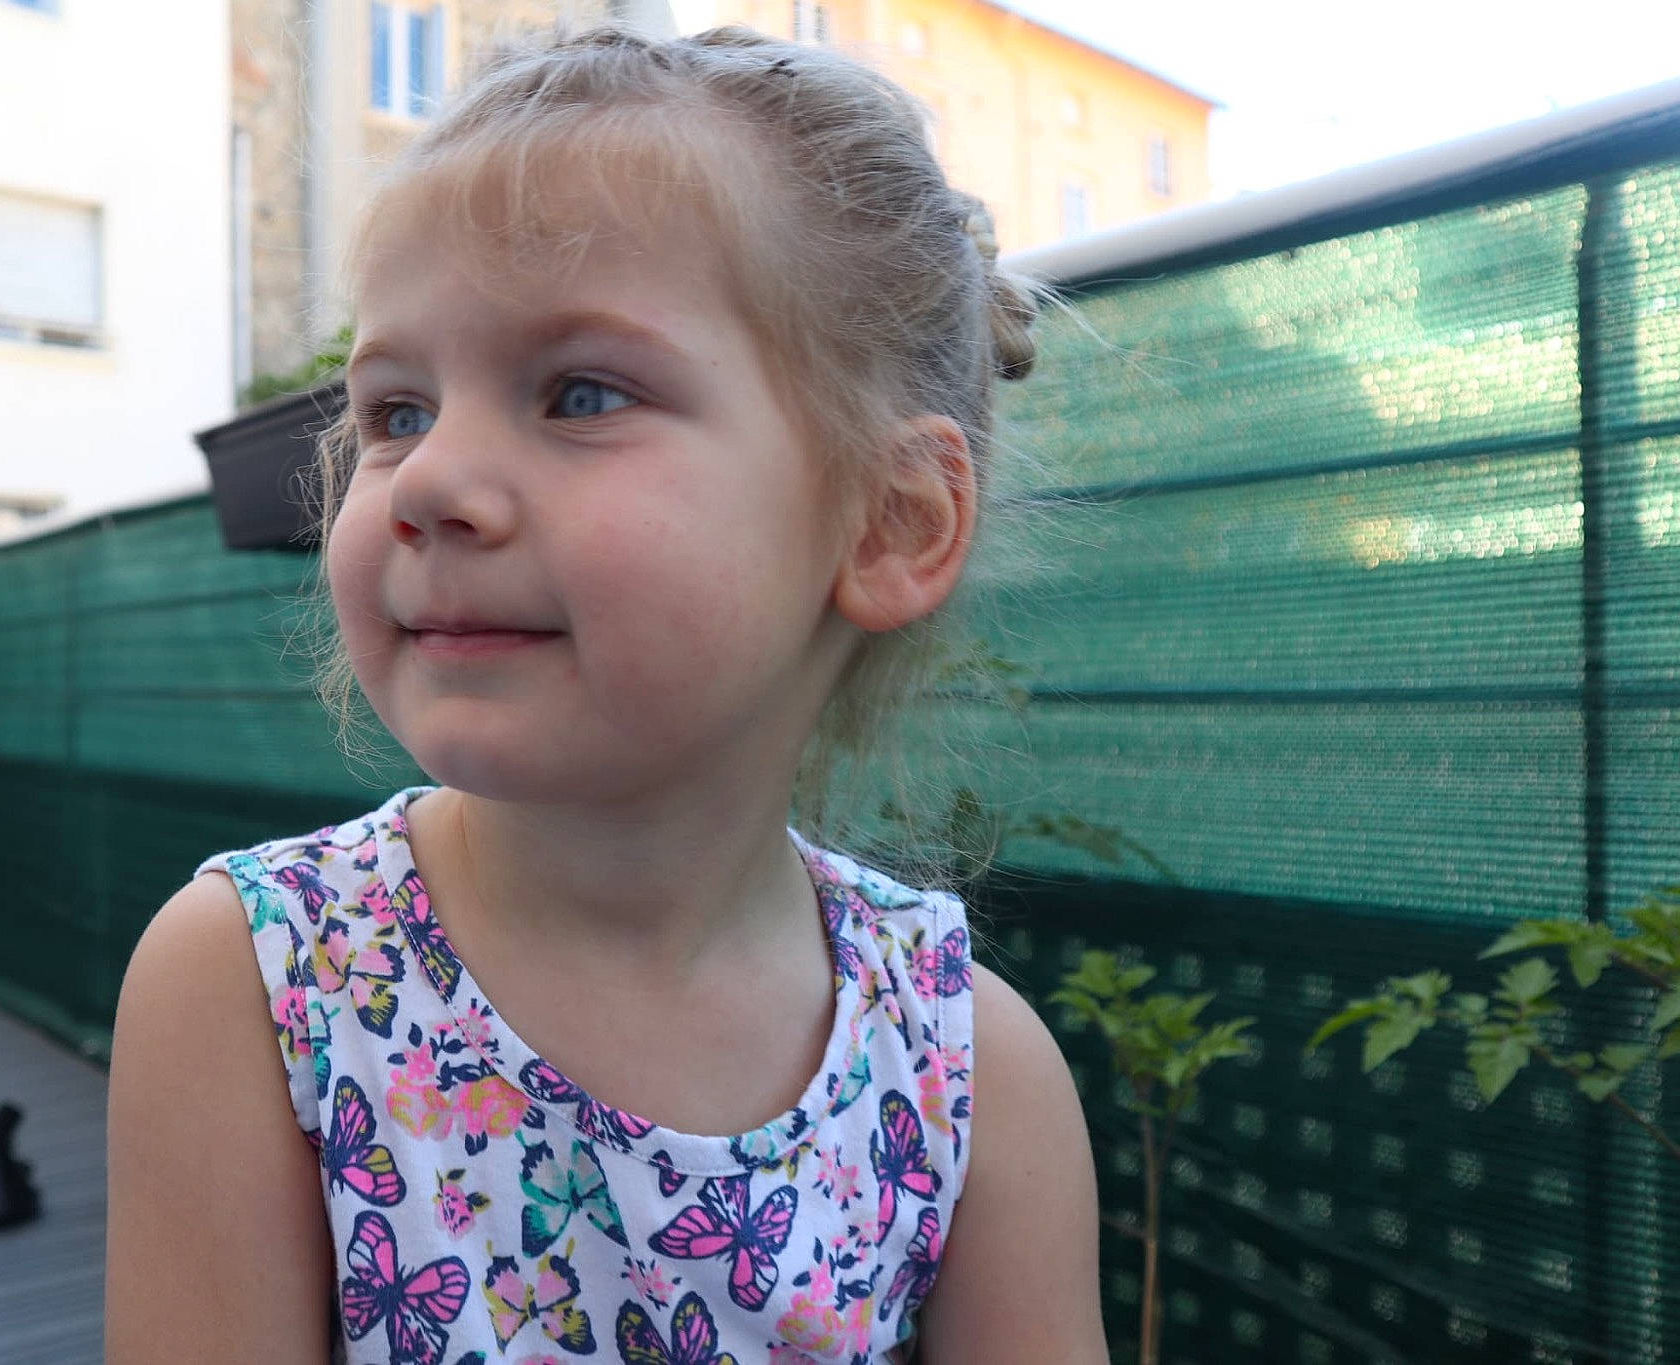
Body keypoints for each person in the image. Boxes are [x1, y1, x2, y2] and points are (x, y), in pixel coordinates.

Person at [106, 24, 1105, 1364]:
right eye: (396, 408)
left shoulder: (966, 1071)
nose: (429, 480)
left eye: (578, 392)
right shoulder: (257, 983)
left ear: (890, 521)